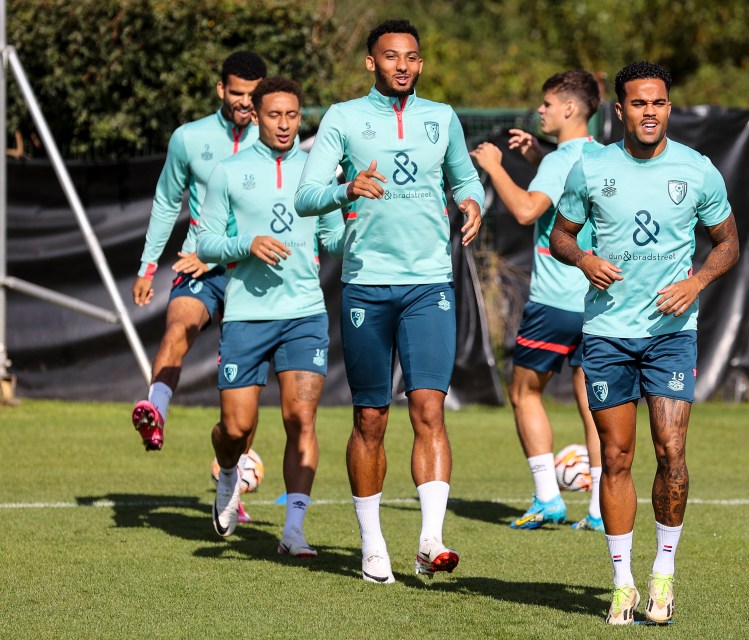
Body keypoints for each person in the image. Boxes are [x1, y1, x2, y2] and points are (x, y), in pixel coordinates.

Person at [550, 61, 740, 625]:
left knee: (672, 451)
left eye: (658, 103)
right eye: (638, 103)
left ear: (669, 109)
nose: (649, 112)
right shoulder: (593, 166)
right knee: (615, 458)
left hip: (671, 336)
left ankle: (663, 576)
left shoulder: (698, 170)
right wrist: (584, 257)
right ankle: (623, 583)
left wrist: (697, 281)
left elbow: (728, 242)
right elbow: (560, 234)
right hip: (608, 334)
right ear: (621, 110)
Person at [295, 19, 484, 583]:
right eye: (391, 56)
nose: (402, 65)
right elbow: (307, 196)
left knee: (428, 408)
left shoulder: (441, 118)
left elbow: (464, 180)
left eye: (411, 57)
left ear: (420, 64)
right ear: (371, 63)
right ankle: (372, 544)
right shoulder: (343, 119)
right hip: (366, 286)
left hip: (430, 284)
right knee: (371, 417)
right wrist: (345, 189)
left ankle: (431, 539)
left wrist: (473, 205)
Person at [197, 77, 344, 553]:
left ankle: (294, 531)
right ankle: (227, 473)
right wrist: (248, 245)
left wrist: (358, 214)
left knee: (301, 417)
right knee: (235, 429)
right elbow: (206, 243)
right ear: (255, 116)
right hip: (246, 316)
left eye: (293, 116)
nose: (284, 124)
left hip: (304, 314)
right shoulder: (229, 171)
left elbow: (334, 240)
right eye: (275, 115)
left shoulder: (318, 172)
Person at [469, 70, 605, 532]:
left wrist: (495, 167)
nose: (541, 110)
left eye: (548, 103)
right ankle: (601, 508)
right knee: (594, 404)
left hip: (554, 300)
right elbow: (573, 178)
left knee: (523, 392)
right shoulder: (605, 156)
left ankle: (548, 497)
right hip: (599, 301)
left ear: (570, 108)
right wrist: (538, 154)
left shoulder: (559, 158)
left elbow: (528, 209)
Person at [131, 51, 267, 454]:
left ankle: (232, 476)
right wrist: (146, 266)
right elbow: (165, 202)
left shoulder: (276, 140)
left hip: (252, 269)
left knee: (243, 386)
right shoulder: (189, 138)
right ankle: (154, 413)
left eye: (253, 94)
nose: (245, 102)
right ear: (221, 89)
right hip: (199, 264)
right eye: (238, 93)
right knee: (178, 329)